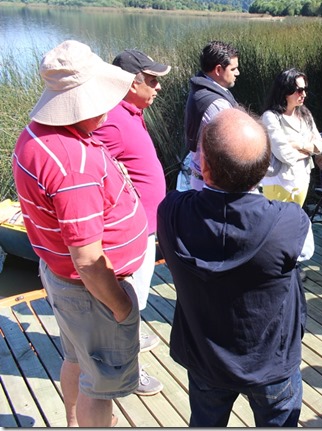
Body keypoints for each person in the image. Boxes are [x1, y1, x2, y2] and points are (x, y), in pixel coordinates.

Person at [12, 40, 148, 427]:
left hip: (59, 278)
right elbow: (88, 260)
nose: (106, 106)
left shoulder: (34, 134)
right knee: (99, 386)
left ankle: (72, 421)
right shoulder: (75, 162)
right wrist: (120, 305)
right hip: (91, 292)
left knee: (76, 358)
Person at [156, 108, 313, 427]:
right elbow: (304, 252)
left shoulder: (171, 213)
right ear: (266, 166)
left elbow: (187, 195)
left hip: (205, 360)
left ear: (204, 166)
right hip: (272, 364)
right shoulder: (289, 221)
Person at [93, 49, 171, 396]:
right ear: (130, 81)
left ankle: (131, 343)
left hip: (147, 228)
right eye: (151, 80)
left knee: (135, 301)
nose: (157, 87)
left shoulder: (131, 111)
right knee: (127, 305)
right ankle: (129, 372)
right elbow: (94, 168)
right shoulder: (109, 116)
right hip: (130, 234)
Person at [259, 68, 322, 206]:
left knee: (296, 222)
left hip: (302, 180)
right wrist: (308, 151)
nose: (304, 94)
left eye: (305, 89)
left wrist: (299, 145)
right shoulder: (270, 117)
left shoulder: (305, 114)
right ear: (285, 91)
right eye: (299, 90)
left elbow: (319, 145)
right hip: (278, 182)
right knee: (277, 224)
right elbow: (284, 154)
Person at [184, 40, 240, 191]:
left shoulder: (200, 88)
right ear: (218, 70)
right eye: (233, 69)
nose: (237, 73)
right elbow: (233, 145)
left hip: (202, 179)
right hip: (211, 185)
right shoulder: (216, 105)